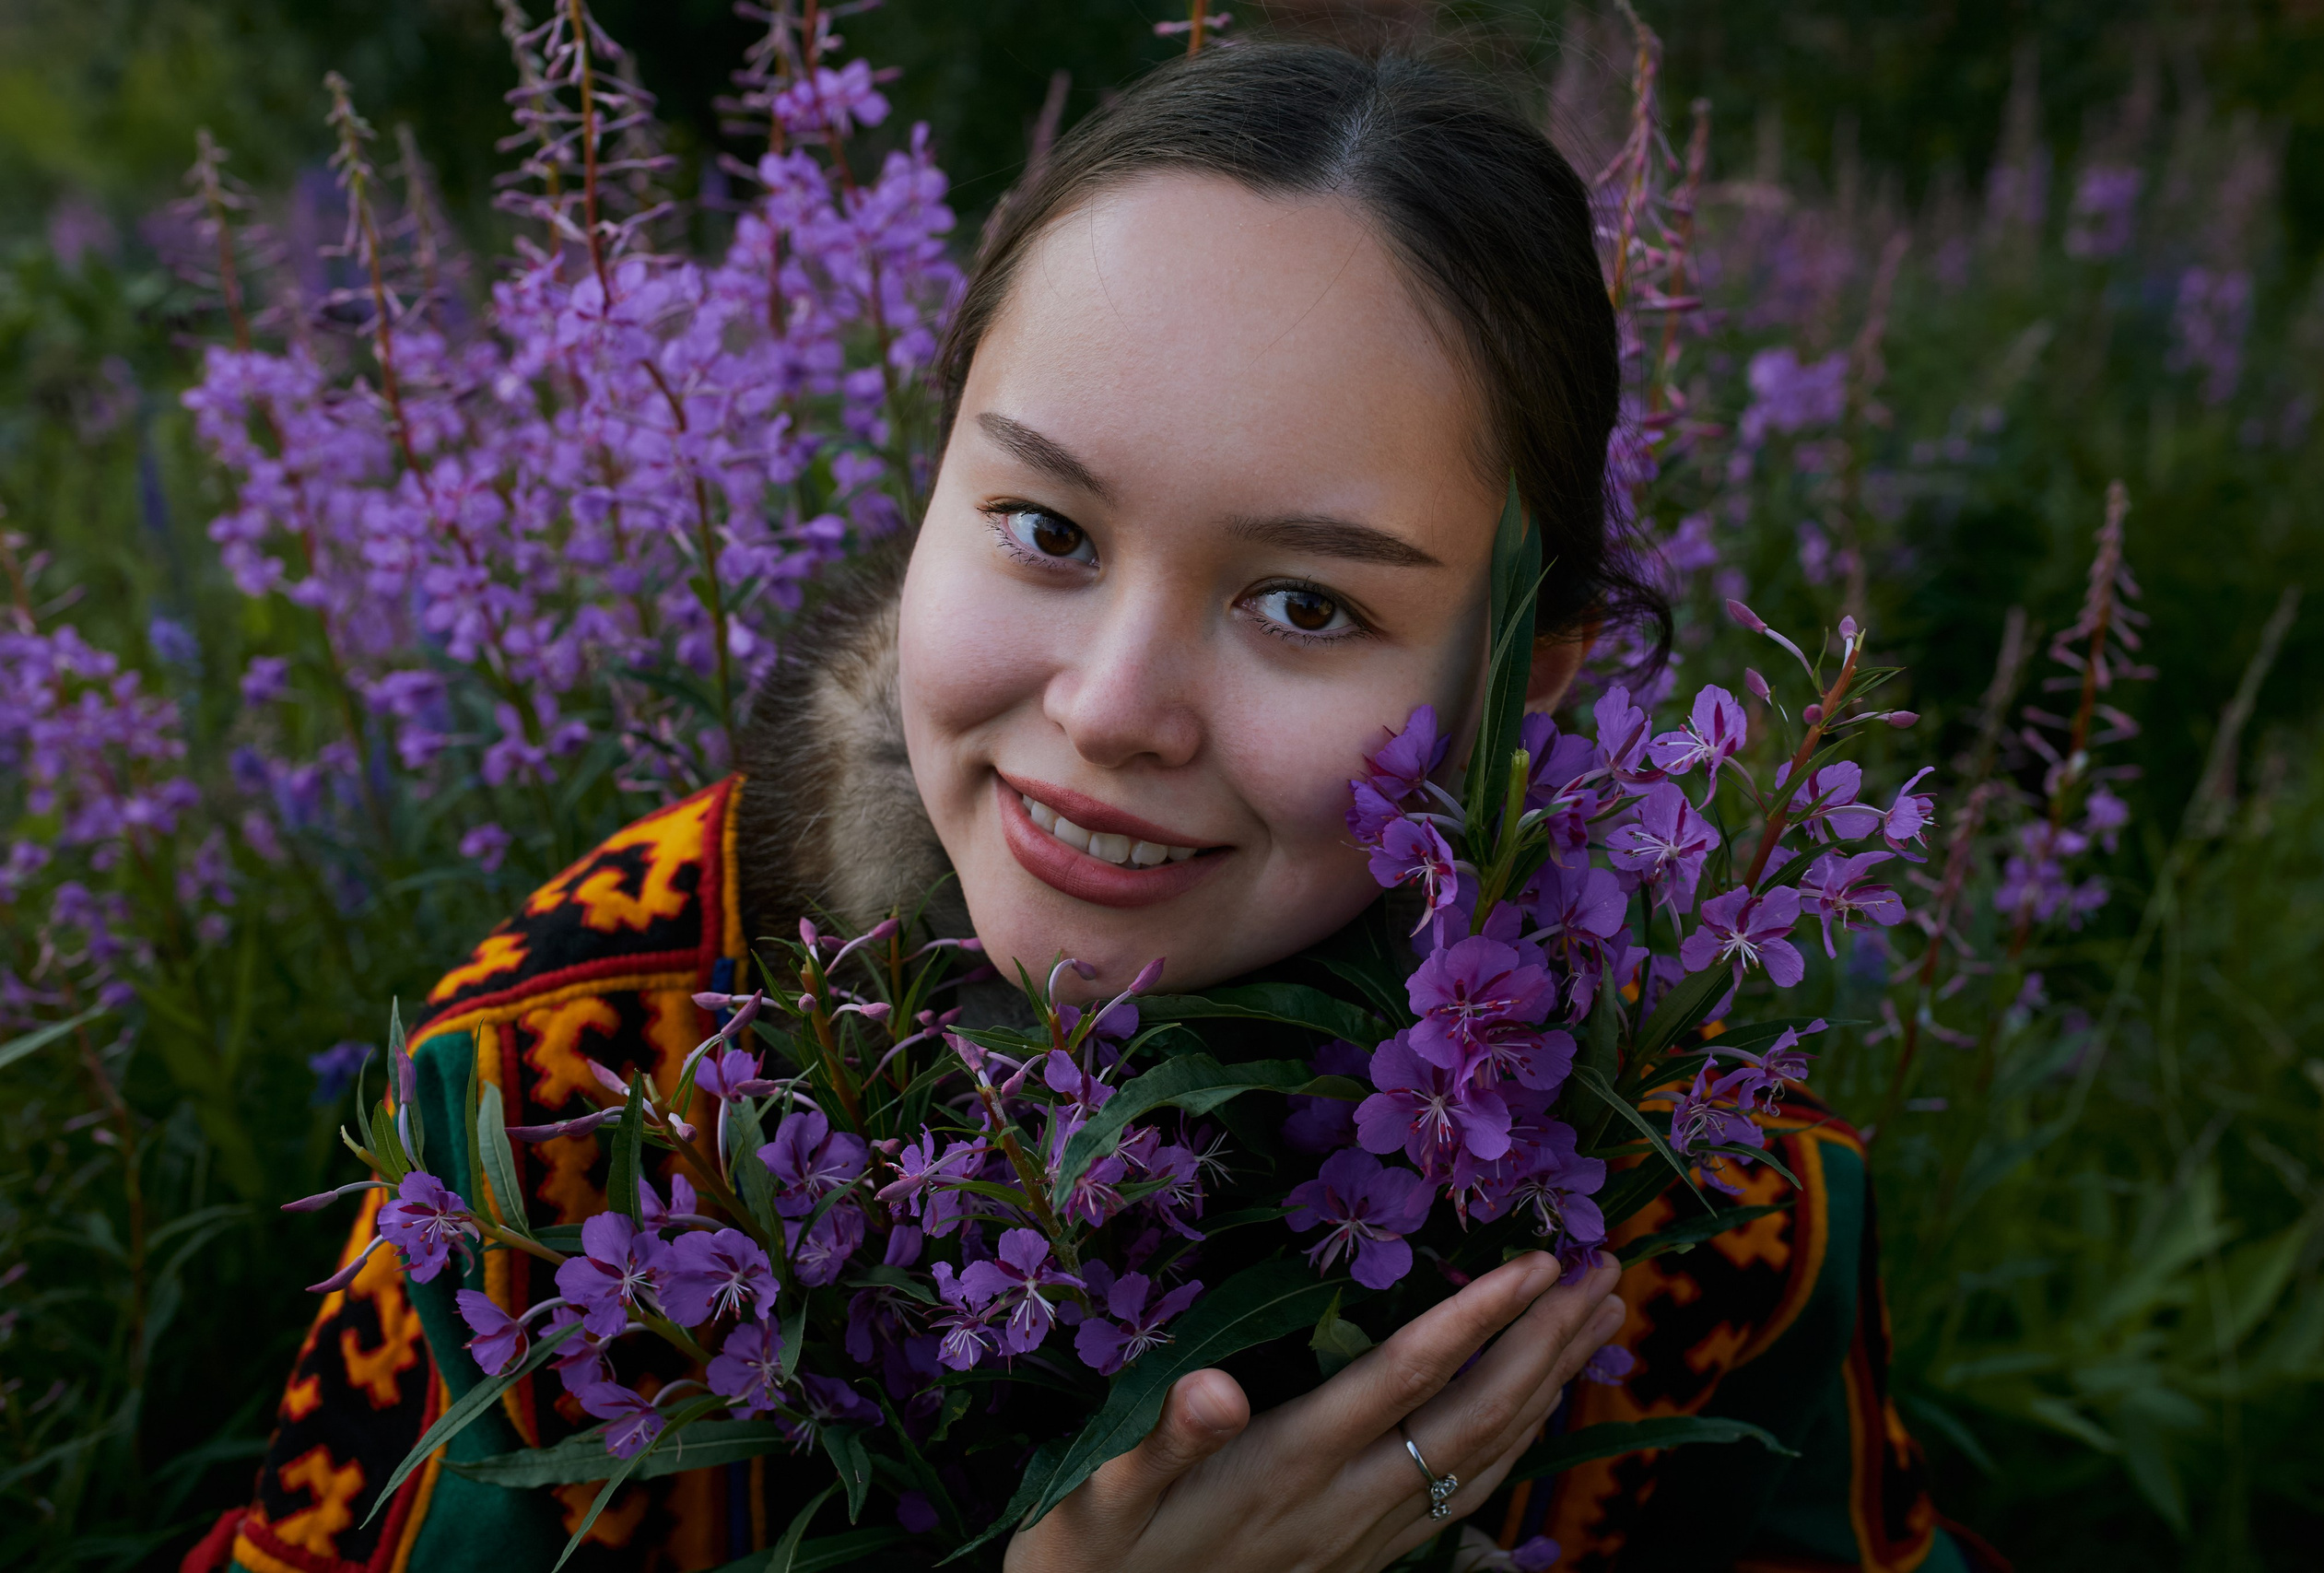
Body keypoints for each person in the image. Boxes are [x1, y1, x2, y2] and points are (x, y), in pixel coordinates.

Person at [189, 41, 1999, 1573]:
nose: (1111, 707)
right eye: (1046, 529)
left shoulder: (1694, 1202)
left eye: (1306, 602)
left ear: (1528, 666)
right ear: (930, 485)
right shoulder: (559, 1090)